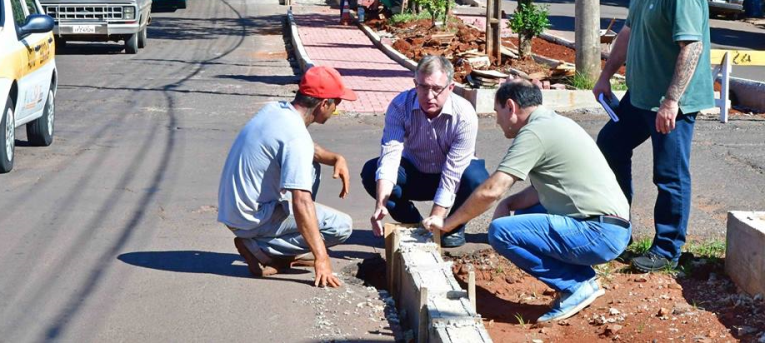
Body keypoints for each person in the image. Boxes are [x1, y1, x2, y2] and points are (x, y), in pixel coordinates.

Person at [423, 80, 631, 323]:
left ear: (510, 107)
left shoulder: (534, 132)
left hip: (598, 233)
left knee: (501, 232)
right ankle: (580, 277)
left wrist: (449, 224)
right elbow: (547, 187)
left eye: (496, 112)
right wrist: (508, 204)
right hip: (612, 228)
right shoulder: (554, 122)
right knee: (522, 214)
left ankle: (576, 285)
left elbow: (492, 189)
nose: (497, 120)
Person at [593, 0, 714, 273]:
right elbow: (628, 32)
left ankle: (667, 249)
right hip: (640, 97)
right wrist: (605, 76)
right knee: (611, 144)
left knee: (669, 174)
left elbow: (691, 47)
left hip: (672, 103)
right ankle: (618, 228)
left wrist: (671, 101)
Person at [218, 66, 358, 287]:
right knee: (341, 227)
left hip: (234, 209)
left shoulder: (275, 110)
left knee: (313, 166)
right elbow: (301, 200)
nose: (336, 109)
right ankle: (260, 249)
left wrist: (335, 158)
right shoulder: (296, 137)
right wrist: (322, 259)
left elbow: (306, 148)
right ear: (324, 104)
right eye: (337, 103)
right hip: (252, 217)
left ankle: (276, 249)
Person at [361, 55, 488, 248]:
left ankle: (451, 226)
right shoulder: (399, 106)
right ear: (415, 84)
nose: (429, 96)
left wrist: (437, 215)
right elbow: (390, 155)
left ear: (450, 88)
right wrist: (381, 203)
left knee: (477, 179)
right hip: (415, 171)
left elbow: (453, 172)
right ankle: (414, 223)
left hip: (453, 176)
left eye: (437, 89)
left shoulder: (464, 114)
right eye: (423, 87)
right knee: (372, 172)